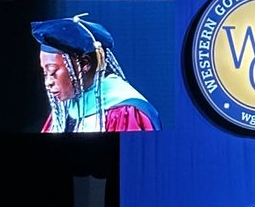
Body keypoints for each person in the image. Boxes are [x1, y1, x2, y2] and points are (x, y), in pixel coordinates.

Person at [32, 13, 161, 132]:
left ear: (84, 64)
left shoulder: (125, 112)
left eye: (53, 71)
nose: (47, 82)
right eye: (45, 73)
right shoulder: (65, 108)